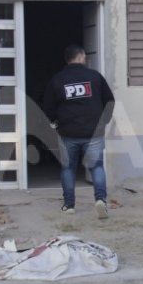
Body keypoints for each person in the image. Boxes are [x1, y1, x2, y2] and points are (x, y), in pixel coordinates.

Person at [41, 44, 115, 217]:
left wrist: (55, 123)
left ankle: (69, 205)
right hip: (94, 132)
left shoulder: (58, 79)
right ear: (81, 56)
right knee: (96, 166)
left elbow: (48, 106)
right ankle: (100, 200)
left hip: (68, 133)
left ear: (67, 59)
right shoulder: (94, 76)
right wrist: (104, 122)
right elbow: (109, 101)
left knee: (68, 168)